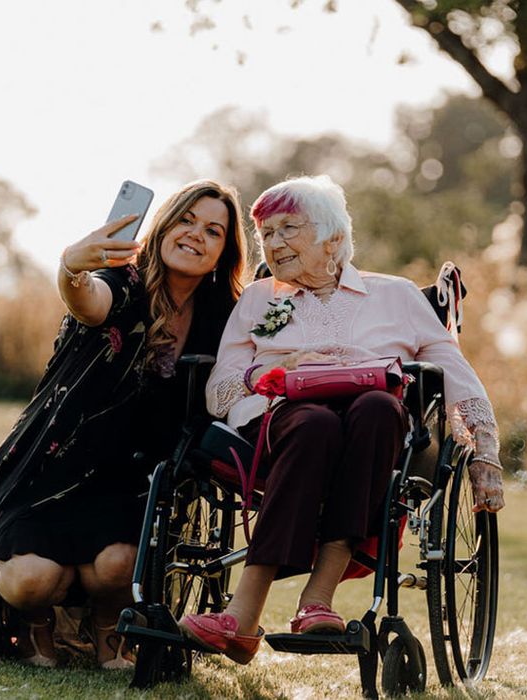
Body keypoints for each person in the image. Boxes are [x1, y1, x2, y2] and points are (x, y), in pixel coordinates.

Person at [178, 174, 504, 664]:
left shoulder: (396, 296)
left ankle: (318, 599)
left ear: (333, 239)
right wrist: (272, 370)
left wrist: (485, 453)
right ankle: (242, 614)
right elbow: (218, 391)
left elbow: (456, 375)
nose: (274, 243)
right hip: (281, 426)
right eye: (267, 233)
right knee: (314, 424)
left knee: (376, 408)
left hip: (373, 436)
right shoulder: (258, 299)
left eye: (289, 228)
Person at [0, 180, 247, 668]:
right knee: (30, 579)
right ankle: (37, 622)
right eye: (186, 220)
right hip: (52, 467)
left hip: (137, 480)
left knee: (121, 564)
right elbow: (89, 302)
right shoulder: (123, 280)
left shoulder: (225, 314)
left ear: (225, 251)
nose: (196, 235)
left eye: (213, 230)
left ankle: (105, 628)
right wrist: (71, 270)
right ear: (162, 225)